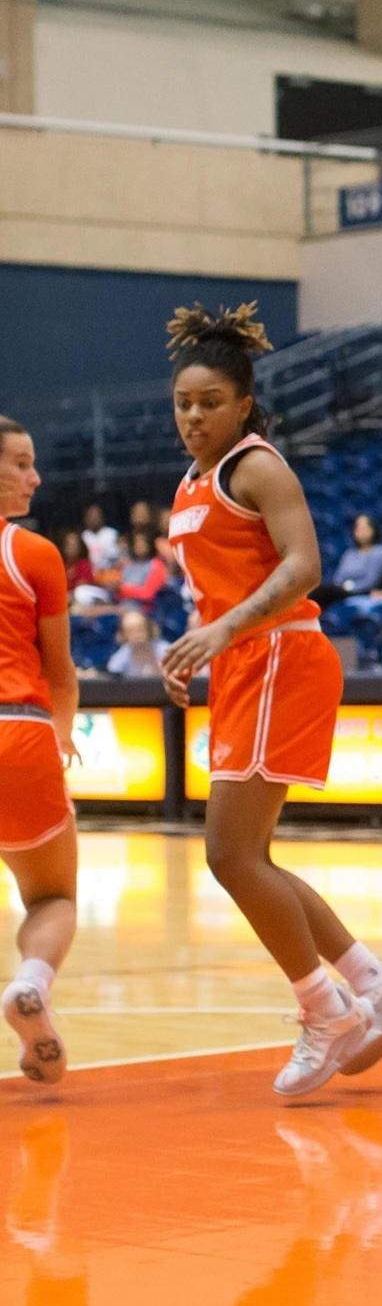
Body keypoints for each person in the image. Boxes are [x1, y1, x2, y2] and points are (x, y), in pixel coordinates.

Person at [155, 305, 382, 1096]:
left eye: (209, 401)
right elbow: (223, 585)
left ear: (241, 403)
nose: (194, 415)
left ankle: (329, 1010)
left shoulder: (257, 465)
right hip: (246, 660)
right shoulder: (190, 482)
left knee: (228, 853)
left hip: (280, 655)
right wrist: (196, 647)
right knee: (249, 855)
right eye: (183, 403)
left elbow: (304, 567)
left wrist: (223, 630)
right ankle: (372, 980)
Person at [0, 419, 80, 1086]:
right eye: (22, 463)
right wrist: (63, 735)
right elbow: (60, 672)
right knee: (53, 895)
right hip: (17, 727)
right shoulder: (34, 553)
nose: (36, 476)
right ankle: (30, 981)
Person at [313, 514, 382, 610]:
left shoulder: (380, 551)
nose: (360, 531)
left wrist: (350, 588)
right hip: (341, 590)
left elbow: (371, 581)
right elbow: (338, 577)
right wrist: (342, 587)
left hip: (363, 591)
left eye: (364, 527)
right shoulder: (350, 553)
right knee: (320, 591)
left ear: (373, 529)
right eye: (358, 527)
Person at [115, 530, 170, 612]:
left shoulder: (157, 565)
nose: (139, 546)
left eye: (143, 544)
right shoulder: (128, 566)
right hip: (123, 606)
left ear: (150, 545)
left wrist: (122, 589)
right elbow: (119, 595)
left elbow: (148, 594)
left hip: (145, 610)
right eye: (137, 543)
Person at [106, 608, 168, 677]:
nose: (137, 634)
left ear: (147, 628)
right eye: (131, 631)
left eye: (140, 628)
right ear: (124, 635)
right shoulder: (123, 654)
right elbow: (112, 672)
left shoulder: (164, 649)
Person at [79, 503, 120, 576]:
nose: (94, 518)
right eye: (91, 516)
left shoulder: (112, 534)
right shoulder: (83, 536)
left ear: (102, 517)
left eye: (96, 515)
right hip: (89, 575)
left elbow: (119, 558)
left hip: (109, 574)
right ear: (86, 518)